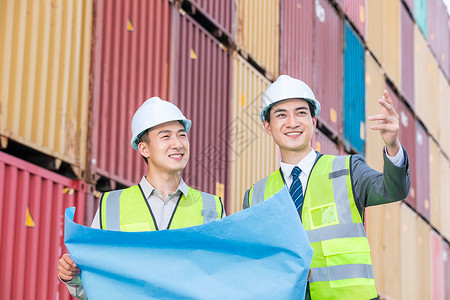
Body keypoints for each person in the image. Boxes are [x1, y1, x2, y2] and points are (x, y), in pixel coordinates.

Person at [243, 75, 410, 300]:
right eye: (281, 115)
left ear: (313, 121)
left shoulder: (349, 170)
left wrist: (392, 145)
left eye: (301, 112)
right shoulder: (255, 196)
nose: (292, 122)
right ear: (267, 126)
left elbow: (394, 190)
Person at [58, 97, 225, 299]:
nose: (178, 144)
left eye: (182, 135)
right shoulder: (111, 206)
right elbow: (98, 289)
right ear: (144, 149)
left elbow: (223, 281)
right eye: (166, 137)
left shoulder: (212, 207)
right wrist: (73, 278)